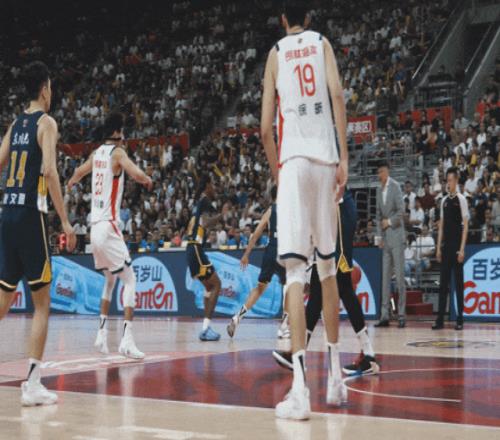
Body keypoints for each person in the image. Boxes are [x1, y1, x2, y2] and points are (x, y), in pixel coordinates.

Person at [261, 1, 348, 420]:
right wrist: (344, 156)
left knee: (295, 274)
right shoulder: (322, 43)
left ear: (283, 20)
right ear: (308, 19)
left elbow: (265, 128)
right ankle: (336, 376)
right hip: (326, 159)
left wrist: (279, 177)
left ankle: (300, 390)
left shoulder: (276, 53)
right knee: (327, 269)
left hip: (294, 162)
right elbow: (337, 95)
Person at [0, 61, 76, 406]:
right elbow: (49, 171)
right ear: (45, 89)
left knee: (3, 299)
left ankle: (33, 384)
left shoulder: (16, 124)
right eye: (51, 87)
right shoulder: (46, 123)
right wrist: (66, 221)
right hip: (32, 215)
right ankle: (32, 385)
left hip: (8, 213)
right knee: (42, 304)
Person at [68, 112, 153, 358]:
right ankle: (127, 339)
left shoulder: (96, 154)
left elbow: (79, 172)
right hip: (108, 224)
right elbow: (135, 173)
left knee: (110, 280)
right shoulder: (117, 153)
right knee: (130, 279)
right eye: (122, 131)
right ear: (116, 132)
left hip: (93, 227)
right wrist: (147, 179)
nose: (124, 135)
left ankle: (101, 334)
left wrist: (70, 183)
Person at [272, 190, 380, 376]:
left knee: (338, 289)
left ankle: (298, 353)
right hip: (332, 217)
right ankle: (367, 354)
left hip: (337, 214)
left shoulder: (331, 183)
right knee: (323, 294)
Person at [226, 186, 286, 338]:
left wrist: (246, 254)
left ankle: (237, 317)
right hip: (284, 250)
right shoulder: (289, 208)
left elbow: (256, 233)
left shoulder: (270, 211)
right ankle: (284, 327)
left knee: (259, 288)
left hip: (270, 251)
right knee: (289, 287)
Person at [186, 175, 224, 341]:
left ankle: (205, 329)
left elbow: (204, 223)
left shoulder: (199, 203)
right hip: (195, 248)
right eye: (212, 185)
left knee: (209, 287)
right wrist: (221, 215)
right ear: (207, 185)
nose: (214, 189)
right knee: (217, 284)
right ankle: (206, 328)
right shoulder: (204, 200)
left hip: (192, 249)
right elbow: (207, 223)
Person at [432, 167, 469, 330]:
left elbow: (465, 226)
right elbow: (441, 227)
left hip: (457, 247)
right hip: (446, 247)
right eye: (447, 180)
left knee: (459, 285)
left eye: (451, 180)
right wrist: (438, 248)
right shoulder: (444, 201)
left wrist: (462, 249)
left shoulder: (461, 199)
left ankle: (460, 319)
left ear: (456, 180)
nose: (448, 183)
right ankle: (440, 319)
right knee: (443, 285)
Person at [375, 161, 407, 328]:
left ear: (387, 171)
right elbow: (377, 215)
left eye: (381, 171)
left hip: (397, 236)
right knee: (385, 279)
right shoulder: (378, 190)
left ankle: (401, 315)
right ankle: (384, 315)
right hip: (386, 239)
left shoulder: (395, 186)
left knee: (400, 278)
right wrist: (379, 236)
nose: (379, 175)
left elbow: (401, 211)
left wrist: (388, 222)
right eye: (378, 172)